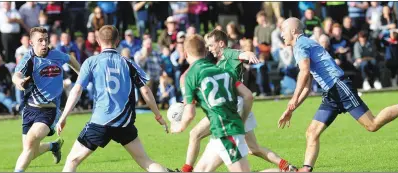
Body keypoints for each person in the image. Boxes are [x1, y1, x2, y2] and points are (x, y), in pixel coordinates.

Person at [277, 17, 398, 172]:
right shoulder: (304, 44)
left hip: (339, 87)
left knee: (372, 125)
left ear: (293, 30)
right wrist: (292, 108)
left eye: (283, 30)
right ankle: (306, 169)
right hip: (331, 92)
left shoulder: (300, 45)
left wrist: (292, 99)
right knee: (311, 132)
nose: (282, 34)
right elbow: (306, 87)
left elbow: (304, 73)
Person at [55, 25, 170, 172]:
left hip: (100, 122)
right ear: (118, 40)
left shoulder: (91, 62)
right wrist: (158, 116)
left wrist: (63, 117)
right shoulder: (128, 63)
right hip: (124, 123)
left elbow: (76, 90)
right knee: (145, 161)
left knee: (72, 160)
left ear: (98, 40)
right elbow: (146, 91)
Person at [178, 29, 295, 172]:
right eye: (207, 46)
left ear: (221, 44)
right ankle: (286, 167)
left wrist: (249, 54)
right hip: (240, 104)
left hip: (230, 107)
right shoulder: (217, 65)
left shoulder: (227, 53)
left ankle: (186, 169)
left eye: (211, 45)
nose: (209, 49)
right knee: (253, 148)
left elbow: (242, 54)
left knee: (195, 134)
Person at [170, 34, 253, 172]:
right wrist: (242, 120)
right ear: (205, 51)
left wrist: (179, 127)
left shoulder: (190, 75)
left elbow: (190, 113)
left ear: (185, 54)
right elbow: (248, 96)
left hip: (225, 131)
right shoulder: (223, 70)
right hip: (219, 132)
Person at [12, 27, 81, 172]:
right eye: (40, 40)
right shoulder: (28, 59)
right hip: (29, 110)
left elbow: (71, 59)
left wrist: (82, 76)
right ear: (31, 43)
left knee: (30, 142)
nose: (44, 43)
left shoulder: (56, 55)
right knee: (30, 150)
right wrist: (19, 81)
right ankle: (53, 146)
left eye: (46, 40)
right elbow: (16, 75)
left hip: (49, 110)